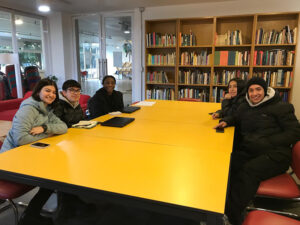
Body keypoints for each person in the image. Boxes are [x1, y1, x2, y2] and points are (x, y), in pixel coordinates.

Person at [214, 77, 300, 225]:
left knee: (248, 171)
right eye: (251, 90)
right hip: (253, 150)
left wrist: (269, 142)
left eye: (258, 89)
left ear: (265, 91)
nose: (254, 94)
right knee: (229, 163)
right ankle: (218, 205)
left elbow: (295, 132)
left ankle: (232, 214)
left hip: (276, 154)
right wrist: (227, 121)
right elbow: (236, 117)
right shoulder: (245, 106)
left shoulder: (282, 107)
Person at [0, 78, 68, 225]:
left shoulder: (45, 109)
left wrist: (44, 128)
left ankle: (40, 212)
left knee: (60, 171)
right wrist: (48, 134)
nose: (51, 94)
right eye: (47, 90)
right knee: (55, 177)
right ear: (38, 91)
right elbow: (21, 139)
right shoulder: (28, 109)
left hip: (29, 155)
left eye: (54, 92)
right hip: (11, 161)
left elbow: (63, 127)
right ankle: (31, 215)